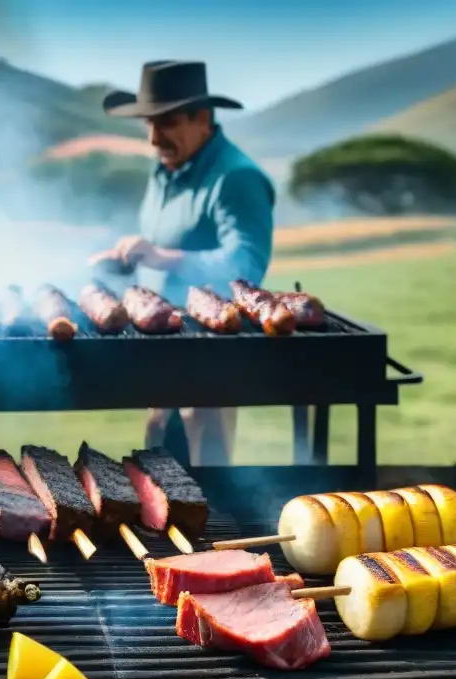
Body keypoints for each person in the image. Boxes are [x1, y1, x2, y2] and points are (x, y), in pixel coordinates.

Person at [90, 60, 275, 467]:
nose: (155, 137)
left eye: (168, 122)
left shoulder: (237, 178)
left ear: (202, 118)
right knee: (157, 474)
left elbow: (247, 264)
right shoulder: (166, 170)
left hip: (211, 361)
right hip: (161, 355)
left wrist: (160, 256)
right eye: (148, 123)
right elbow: (165, 245)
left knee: (209, 486)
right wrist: (130, 259)